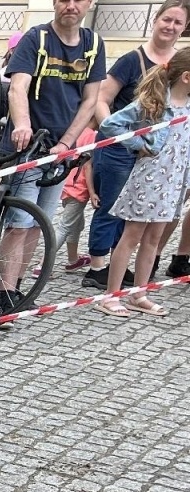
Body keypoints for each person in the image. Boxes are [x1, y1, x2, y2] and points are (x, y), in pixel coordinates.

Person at [0, 0, 106, 314]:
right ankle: (4, 296)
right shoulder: (37, 38)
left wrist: (67, 143)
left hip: (62, 150)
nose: (70, 5)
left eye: (78, 0)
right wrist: (22, 124)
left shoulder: (93, 44)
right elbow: (18, 87)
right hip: (30, 146)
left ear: (89, 4)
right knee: (19, 223)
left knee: (39, 224)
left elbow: (90, 101)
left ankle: (17, 286)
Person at [85, 0, 186, 288]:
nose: (171, 26)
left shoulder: (181, 63)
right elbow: (102, 101)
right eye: (167, 19)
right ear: (156, 19)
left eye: (178, 22)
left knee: (140, 217)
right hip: (122, 148)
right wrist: (126, 138)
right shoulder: (131, 60)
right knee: (112, 207)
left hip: (158, 158)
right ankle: (98, 267)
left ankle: (125, 267)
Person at [92, 49, 190, 314]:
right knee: (132, 235)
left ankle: (139, 293)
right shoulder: (154, 103)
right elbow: (111, 125)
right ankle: (111, 295)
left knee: (155, 238)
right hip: (148, 179)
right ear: (186, 77)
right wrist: (140, 144)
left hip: (173, 183)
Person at [55, 126, 97, 271]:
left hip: (66, 183)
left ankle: (73, 259)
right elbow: (87, 166)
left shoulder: (76, 129)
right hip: (78, 188)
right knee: (65, 226)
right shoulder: (91, 135)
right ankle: (42, 264)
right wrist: (92, 192)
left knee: (77, 225)